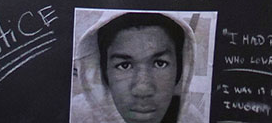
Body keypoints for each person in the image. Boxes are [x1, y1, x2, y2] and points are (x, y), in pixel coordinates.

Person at [71, 11, 206, 123]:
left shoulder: (192, 119)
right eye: (124, 65)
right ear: (104, 72)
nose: (143, 89)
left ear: (180, 70)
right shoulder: (77, 115)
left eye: (160, 63)